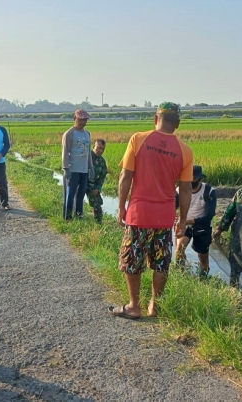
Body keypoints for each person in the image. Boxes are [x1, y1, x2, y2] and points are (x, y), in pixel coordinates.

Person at [109, 102, 193, 319]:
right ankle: (155, 306)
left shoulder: (138, 139)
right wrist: (182, 220)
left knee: (132, 260)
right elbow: (185, 190)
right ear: (178, 124)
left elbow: (125, 176)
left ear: (155, 119)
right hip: (164, 218)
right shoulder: (185, 151)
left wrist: (121, 207)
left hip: (139, 214)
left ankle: (134, 305)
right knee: (161, 262)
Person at [174, 165, 217, 279]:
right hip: (184, 225)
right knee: (179, 250)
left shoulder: (208, 191)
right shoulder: (179, 191)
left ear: (199, 179)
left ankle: (202, 279)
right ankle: (181, 276)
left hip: (202, 226)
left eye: (192, 179)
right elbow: (171, 208)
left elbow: (209, 216)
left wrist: (188, 221)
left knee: (203, 257)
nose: (189, 182)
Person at [61, 109, 94, 220]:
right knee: (70, 195)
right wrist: (66, 168)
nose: (83, 122)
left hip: (84, 170)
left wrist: (90, 167)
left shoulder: (87, 134)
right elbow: (65, 151)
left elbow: (88, 151)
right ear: (75, 119)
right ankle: (67, 218)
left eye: (85, 120)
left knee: (81, 195)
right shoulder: (69, 134)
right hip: (73, 169)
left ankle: (79, 215)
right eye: (80, 120)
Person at [87, 139, 107, 223]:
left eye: (102, 149)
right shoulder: (86, 156)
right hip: (81, 183)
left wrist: (98, 189)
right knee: (76, 203)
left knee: (97, 205)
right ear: (93, 146)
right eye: (99, 148)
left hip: (93, 186)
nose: (101, 151)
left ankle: (98, 224)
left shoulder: (102, 161)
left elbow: (102, 178)